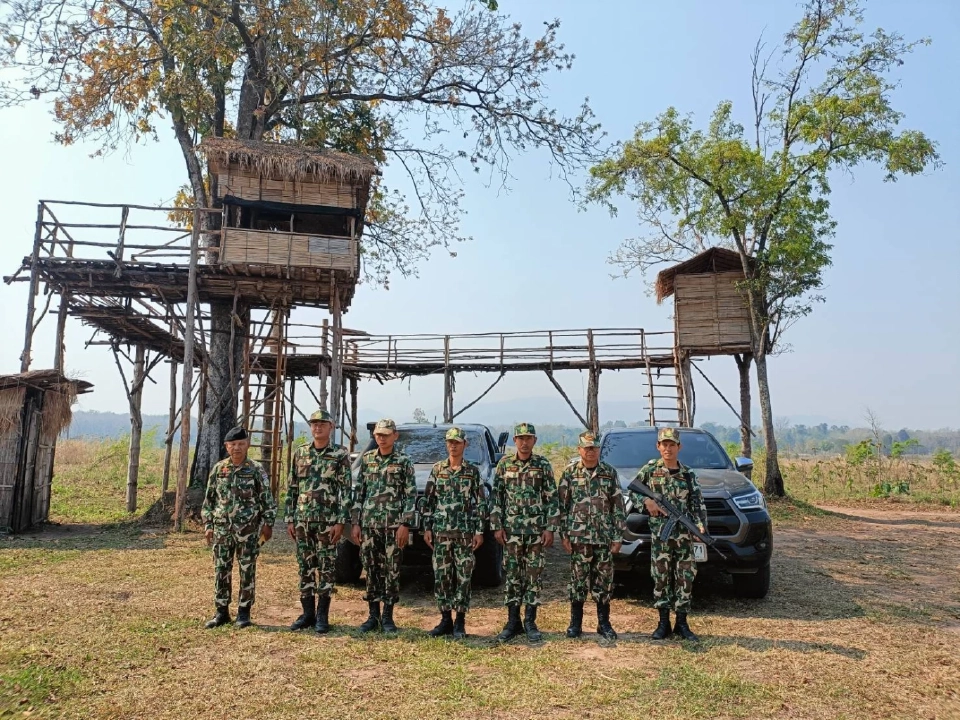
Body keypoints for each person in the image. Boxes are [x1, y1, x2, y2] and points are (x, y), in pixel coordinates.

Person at [629, 427, 707, 641]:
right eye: (664, 444)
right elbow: (632, 491)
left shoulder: (688, 474)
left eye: (672, 444)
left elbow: (697, 504)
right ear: (658, 446)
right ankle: (663, 623)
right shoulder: (650, 469)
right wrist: (646, 501)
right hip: (660, 536)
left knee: (685, 577)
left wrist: (700, 527)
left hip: (684, 536)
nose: (668, 448)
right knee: (661, 577)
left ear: (679, 447)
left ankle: (681, 623)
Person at [201, 426, 277, 629]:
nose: (237, 448)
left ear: (247, 445)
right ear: (227, 447)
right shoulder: (219, 469)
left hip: (248, 531)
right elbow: (209, 501)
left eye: (241, 444)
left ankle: (244, 612)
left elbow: (267, 500)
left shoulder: (255, 470)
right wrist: (208, 525)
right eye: (233, 444)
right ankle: (221, 612)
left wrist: (268, 524)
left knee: (247, 570)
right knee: (221, 570)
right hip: (222, 531)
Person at [489, 422, 559, 642]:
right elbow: (496, 498)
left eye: (529, 438)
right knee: (512, 576)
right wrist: (497, 525)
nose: (524, 442)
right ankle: (512, 622)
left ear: (535, 441)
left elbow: (552, 498)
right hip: (511, 532)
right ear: (514, 441)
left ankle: (530, 621)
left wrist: (550, 528)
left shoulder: (543, 465)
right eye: (521, 438)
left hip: (536, 533)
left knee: (533, 576)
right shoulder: (504, 465)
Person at [284, 409, 352, 633]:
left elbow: (346, 491)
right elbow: (292, 488)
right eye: (314, 423)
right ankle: (307, 614)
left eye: (322, 423)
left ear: (331, 427)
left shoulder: (339, 455)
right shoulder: (300, 453)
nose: (317, 427)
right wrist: (290, 519)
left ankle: (322, 616)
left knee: (326, 568)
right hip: (303, 521)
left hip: (328, 523)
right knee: (305, 567)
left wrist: (341, 522)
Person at [557, 430, 625, 640]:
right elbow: (562, 506)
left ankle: (603, 623)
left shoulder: (609, 473)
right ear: (579, 450)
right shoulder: (570, 473)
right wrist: (564, 534)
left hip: (603, 537)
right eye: (587, 448)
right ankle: (575, 624)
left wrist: (617, 535)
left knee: (603, 581)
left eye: (594, 448)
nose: (591, 452)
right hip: (578, 539)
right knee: (578, 582)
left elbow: (618, 506)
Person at [350, 418, 416, 633]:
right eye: (378, 435)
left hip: (393, 527)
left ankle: (388, 616)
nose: (382, 438)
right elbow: (359, 492)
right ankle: (372, 615)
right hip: (369, 526)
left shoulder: (404, 462)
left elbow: (410, 495)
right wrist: (356, 522)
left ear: (395, 436)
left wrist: (405, 524)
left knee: (391, 570)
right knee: (371, 569)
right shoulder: (368, 459)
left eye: (386, 435)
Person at [422, 427, 486, 640]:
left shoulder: (472, 472)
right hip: (441, 533)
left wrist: (479, 531)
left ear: (464, 445)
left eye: (457, 442)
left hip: (465, 534)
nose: (453, 445)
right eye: (450, 442)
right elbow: (428, 501)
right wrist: (427, 527)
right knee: (442, 577)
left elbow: (481, 504)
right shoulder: (437, 469)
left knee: (464, 577)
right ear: (446, 444)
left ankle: (460, 621)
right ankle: (445, 619)